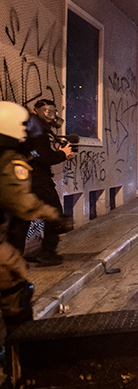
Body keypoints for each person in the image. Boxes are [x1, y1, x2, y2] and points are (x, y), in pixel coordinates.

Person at [0, 101, 69, 351]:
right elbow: (22, 203)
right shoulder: (8, 160)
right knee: (15, 285)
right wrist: (56, 217)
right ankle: (18, 355)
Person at [9, 99, 74, 266]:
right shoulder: (38, 129)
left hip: (22, 178)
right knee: (55, 214)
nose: (50, 115)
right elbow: (44, 157)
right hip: (38, 179)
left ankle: (14, 257)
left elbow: (35, 153)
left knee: (22, 218)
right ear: (37, 111)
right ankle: (47, 253)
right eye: (47, 111)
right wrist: (62, 154)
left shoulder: (28, 127)